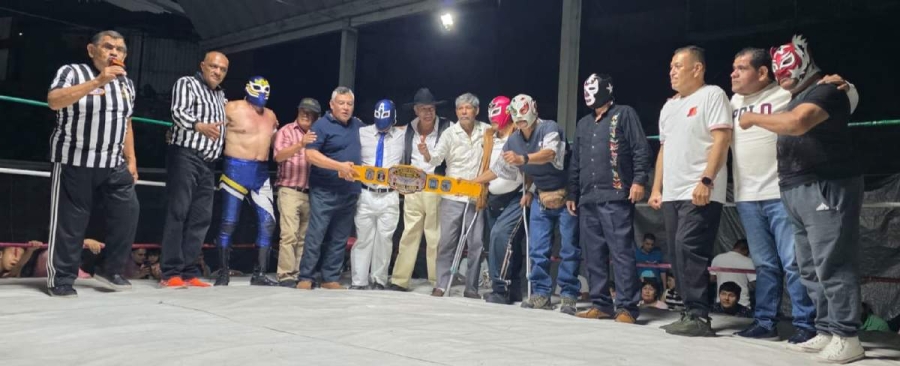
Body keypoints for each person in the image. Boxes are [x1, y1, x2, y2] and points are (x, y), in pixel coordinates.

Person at [738, 35, 865, 363]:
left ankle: (847, 335)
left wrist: (753, 118)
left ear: (804, 61)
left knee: (831, 261)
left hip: (825, 184)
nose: (780, 72)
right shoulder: (795, 96)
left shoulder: (826, 91)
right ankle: (825, 329)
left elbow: (798, 123)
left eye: (785, 64)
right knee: (808, 266)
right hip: (794, 188)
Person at [45, 30, 140, 297]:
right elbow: (54, 100)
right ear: (91, 50)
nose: (114, 53)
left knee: (128, 211)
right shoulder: (72, 72)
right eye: (108, 47)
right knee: (71, 221)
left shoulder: (126, 84)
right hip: (74, 159)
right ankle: (61, 278)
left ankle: (110, 268)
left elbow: (126, 122)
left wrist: (131, 159)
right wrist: (98, 81)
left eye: (120, 49)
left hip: (112, 161)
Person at [648, 46, 732, 336]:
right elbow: (664, 149)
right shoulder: (669, 107)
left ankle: (699, 315)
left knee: (689, 247)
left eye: (678, 66)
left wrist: (706, 180)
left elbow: (721, 140)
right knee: (676, 252)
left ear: (697, 69)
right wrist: (656, 187)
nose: (671, 71)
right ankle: (688, 311)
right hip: (672, 193)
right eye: (670, 66)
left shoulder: (713, 95)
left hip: (700, 190)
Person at [477, 94, 581, 314]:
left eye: (523, 112)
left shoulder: (549, 127)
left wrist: (523, 159)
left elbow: (550, 154)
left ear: (533, 109)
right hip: (540, 194)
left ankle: (569, 295)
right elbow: (498, 169)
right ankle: (541, 293)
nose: (520, 117)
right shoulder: (513, 140)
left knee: (569, 247)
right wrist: (470, 182)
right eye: (515, 113)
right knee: (537, 248)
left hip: (565, 193)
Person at [568, 74, 651, 323]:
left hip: (616, 194)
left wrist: (639, 180)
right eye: (585, 89)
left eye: (592, 88)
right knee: (593, 253)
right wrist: (572, 192)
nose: (588, 93)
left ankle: (627, 307)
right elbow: (576, 160)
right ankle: (601, 303)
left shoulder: (624, 114)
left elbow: (640, 148)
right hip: (588, 196)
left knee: (621, 251)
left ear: (606, 89)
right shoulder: (583, 123)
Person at [160, 51, 229, 288]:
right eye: (214, 66)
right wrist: (199, 126)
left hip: (209, 163)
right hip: (186, 156)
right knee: (178, 212)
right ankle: (170, 272)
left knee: (201, 217)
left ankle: (189, 271)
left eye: (222, 69)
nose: (217, 72)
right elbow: (178, 112)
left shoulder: (221, 95)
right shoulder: (187, 83)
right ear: (202, 65)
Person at [420, 93, 488, 298]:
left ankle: (471, 287)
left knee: (476, 243)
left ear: (476, 110)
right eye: (460, 109)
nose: (464, 112)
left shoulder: (487, 131)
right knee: (447, 242)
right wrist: (426, 153)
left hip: (476, 196)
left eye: (468, 108)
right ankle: (441, 285)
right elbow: (436, 158)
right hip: (452, 196)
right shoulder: (450, 133)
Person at [214, 76, 280, 286]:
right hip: (235, 169)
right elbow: (212, 126)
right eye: (258, 89)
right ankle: (223, 272)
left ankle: (259, 273)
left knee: (268, 223)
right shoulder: (231, 108)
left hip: (261, 172)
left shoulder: (271, 115)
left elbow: (276, 143)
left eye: (266, 90)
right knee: (229, 222)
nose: (262, 93)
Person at [296, 87, 363, 290]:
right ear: (332, 105)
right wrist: (339, 166)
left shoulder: (358, 125)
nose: (345, 107)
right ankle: (306, 276)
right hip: (324, 191)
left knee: (340, 237)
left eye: (349, 104)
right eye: (341, 103)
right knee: (316, 235)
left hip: (349, 191)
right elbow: (311, 155)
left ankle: (330, 278)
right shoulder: (320, 125)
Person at [388, 88, 453, 292]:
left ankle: (437, 282)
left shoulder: (447, 127)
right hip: (412, 186)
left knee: (435, 235)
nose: (428, 112)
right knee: (409, 232)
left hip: (435, 185)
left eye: (431, 108)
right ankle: (400, 280)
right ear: (416, 110)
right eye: (423, 109)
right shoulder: (408, 129)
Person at [350, 100, 405, 290]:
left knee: (384, 239)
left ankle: (379, 280)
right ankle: (359, 281)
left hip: (389, 194)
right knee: (363, 238)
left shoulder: (402, 135)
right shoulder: (362, 132)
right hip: (366, 192)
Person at [479, 96, 526, 305]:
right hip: (493, 197)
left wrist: (474, 181)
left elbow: (499, 169)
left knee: (501, 235)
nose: (493, 120)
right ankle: (513, 289)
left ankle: (501, 288)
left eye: (497, 115)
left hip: (516, 195)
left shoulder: (518, 136)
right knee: (503, 242)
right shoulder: (489, 137)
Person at [274, 98, 320, 287]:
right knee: (289, 235)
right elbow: (278, 156)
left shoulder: (318, 134)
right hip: (289, 190)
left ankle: (301, 274)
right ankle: (285, 274)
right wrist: (301, 144)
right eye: (303, 111)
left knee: (304, 238)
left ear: (316, 117)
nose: (306, 115)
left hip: (311, 192)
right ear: (298, 111)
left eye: (310, 113)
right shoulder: (286, 131)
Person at [710, 239, 756, 308]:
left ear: (734, 247)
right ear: (746, 250)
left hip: (722, 303)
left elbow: (712, 279)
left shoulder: (717, 258)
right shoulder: (748, 262)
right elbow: (754, 284)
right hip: (742, 304)